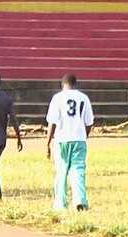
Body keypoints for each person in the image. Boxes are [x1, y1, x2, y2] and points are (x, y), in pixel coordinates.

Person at [45, 74, 94, 211]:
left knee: (61, 171)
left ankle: (60, 203)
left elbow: (52, 122)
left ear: (62, 85)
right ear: (75, 84)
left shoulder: (58, 98)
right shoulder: (83, 98)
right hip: (79, 139)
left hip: (61, 139)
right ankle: (80, 200)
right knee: (78, 170)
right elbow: (89, 122)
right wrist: (84, 135)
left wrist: (48, 142)